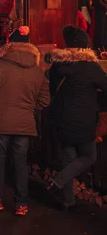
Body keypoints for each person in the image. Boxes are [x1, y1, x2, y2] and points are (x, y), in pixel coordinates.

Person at [0, 26, 50, 217]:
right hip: (25, 123)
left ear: (9, 44)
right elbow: (44, 100)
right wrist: (29, 109)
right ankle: (21, 204)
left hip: (0, 122)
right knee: (20, 162)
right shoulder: (38, 71)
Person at [47, 26, 107, 210]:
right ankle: (59, 180)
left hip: (61, 119)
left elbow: (52, 90)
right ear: (84, 48)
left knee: (68, 159)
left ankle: (68, 200)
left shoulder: (57, 65)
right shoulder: (90, 67)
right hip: (84, 120)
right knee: (89, 156)